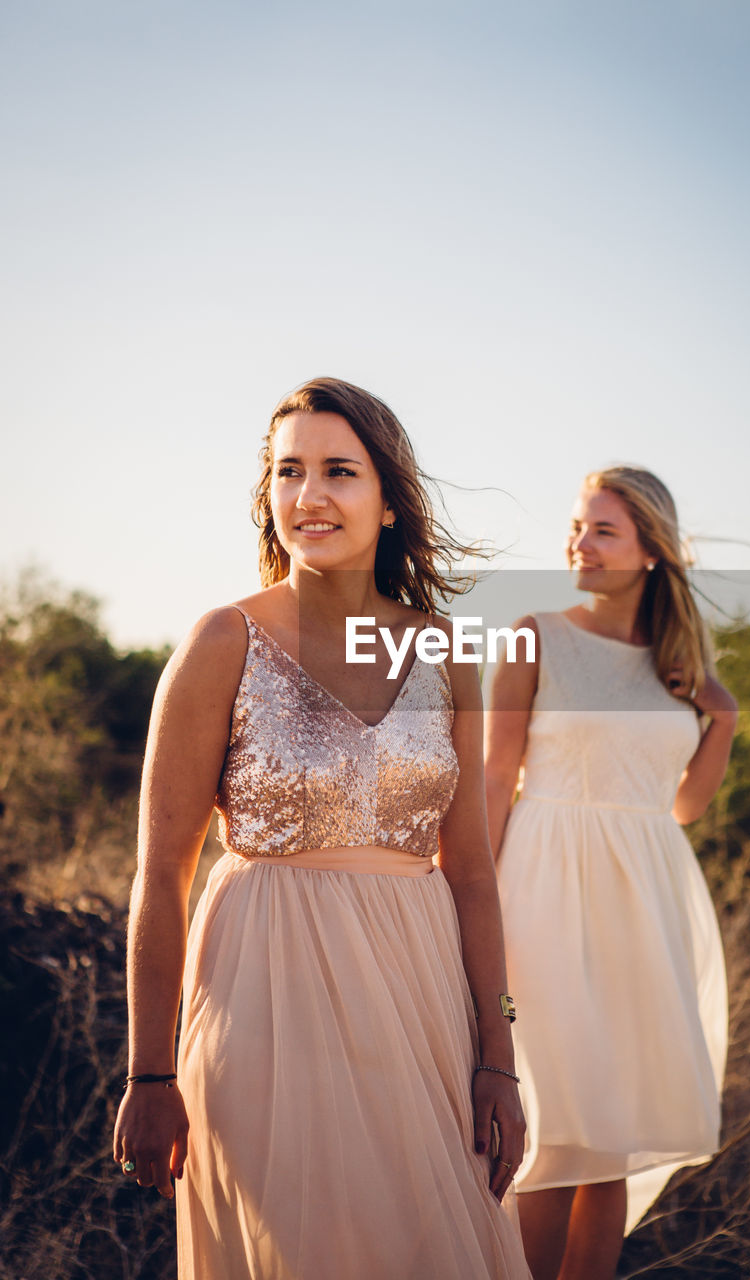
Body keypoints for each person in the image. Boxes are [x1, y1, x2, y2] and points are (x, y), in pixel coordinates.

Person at [113, 377, 532, 1280]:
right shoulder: (222, 641)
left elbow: (472, 876)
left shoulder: (446, 653)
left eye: (340, 471)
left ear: (388, 501)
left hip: (421, 1009)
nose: (310, 496)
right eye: (288, 471)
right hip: (261, 999)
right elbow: (160, 874)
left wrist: (500, 1057)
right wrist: (151, 1074)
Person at [484, 466, 735, 1280]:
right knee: (557, 1130)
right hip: (545, 895)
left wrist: (720, 719)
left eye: (602, 530)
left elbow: (684, 806)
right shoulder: (534, 635)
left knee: (609, 1150)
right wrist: (469, 908)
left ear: (650, 553)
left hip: (646, 907)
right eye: (577, 525)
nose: (578, 543)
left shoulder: (676, 667)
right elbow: (494, 782)